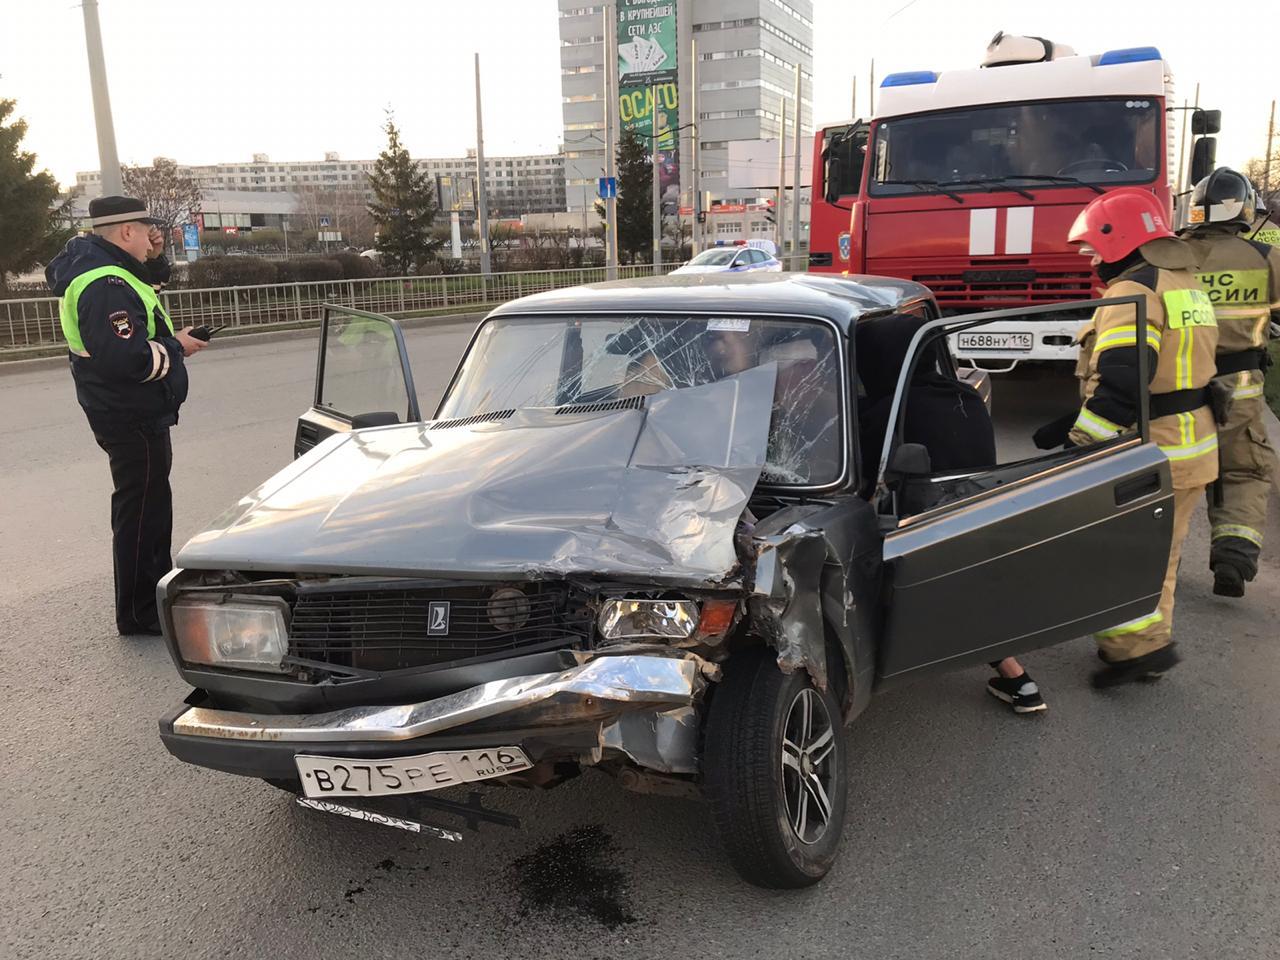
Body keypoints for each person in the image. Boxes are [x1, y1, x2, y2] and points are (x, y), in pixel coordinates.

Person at [857, 313, 1047, 715]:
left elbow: (859, 473)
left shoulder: (893, 413)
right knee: (971, 591)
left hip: (922, 530)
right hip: (977, 516)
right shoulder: (964, 395)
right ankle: (1018, 680)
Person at [1066, 188, 1218, 687]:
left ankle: (1132, 653)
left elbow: (1125, 379)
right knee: (1161, 555)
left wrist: (1080, 443)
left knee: (1123, 553)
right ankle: (1145, 644)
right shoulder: (1183, 283)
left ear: (1119, 237)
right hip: (1192, 447)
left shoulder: (1132, 292)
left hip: (1152, 451)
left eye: (1092, 246)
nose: (1089, 258)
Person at [45, 196, 207, 635]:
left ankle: (152, 597)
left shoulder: (108, 271)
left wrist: (154, 262)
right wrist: (177, 346)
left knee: (150, 504)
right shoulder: (105, 285)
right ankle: (140, 611)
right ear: (125, 231)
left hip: (130, 410)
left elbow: (141, 306)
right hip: (130, 412)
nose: (153, 236)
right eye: (145, 229)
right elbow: (127, 358)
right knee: (142, 511)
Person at [1179, 168, 1280, 597]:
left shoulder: (1171, 254)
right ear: (1245, 210)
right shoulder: (1265, 255)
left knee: (1172, 473)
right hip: (1238, 384)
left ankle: (1151, 557)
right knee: (1243, 469)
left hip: (1177, 383)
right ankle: (1234, 557)